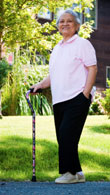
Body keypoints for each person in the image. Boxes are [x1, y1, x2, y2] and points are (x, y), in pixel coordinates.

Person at [31, 9, 97, 184]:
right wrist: (39, 85)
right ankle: (78, 172)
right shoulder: (57, 48)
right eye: (61, 21)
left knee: (67, 134)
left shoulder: (82, 44)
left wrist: (85, 94)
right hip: (60, 99)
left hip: (77, 97)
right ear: (58, 26)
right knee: (65, 136)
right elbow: (54, 75)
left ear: (76, 26)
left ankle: (69, 172)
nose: (65, 24)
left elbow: (93, 68)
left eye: (69, 21)